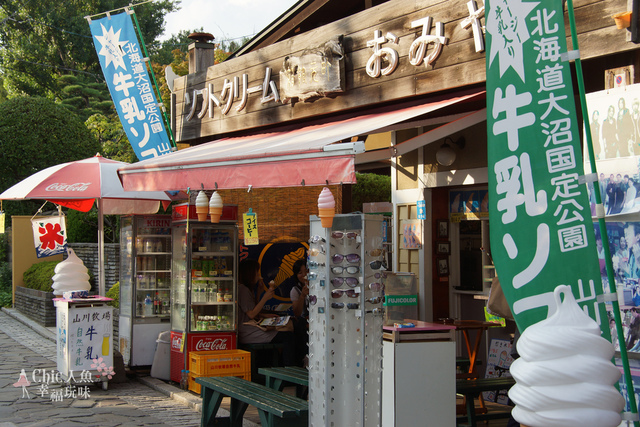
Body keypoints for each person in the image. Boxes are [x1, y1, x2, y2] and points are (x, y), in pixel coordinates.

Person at [237, 258, 295, 366]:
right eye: (257, 272)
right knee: (288, 337)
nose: (259, 275)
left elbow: (253, 309)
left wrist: (259, 293)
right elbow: (251, 314)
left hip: (251, 329)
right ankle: (288, 369)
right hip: (248, 332)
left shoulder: (246, 289)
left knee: (288, 331)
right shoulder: (243, 290)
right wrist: (266, 297)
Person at [287, 259, 310, 366]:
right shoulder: (295, 290)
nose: (304, 275)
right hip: (304, 324)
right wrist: (303, 296)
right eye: (300, 273)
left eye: (306, 271)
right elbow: (297, 312)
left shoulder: (319, 287)